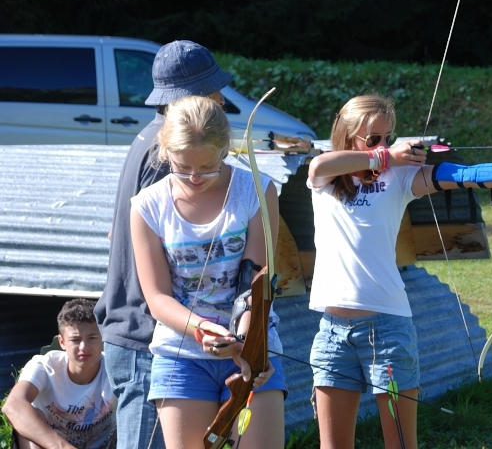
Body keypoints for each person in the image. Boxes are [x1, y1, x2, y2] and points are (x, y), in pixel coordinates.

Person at [306, 94, 492, 449]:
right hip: (332, 334)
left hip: (386, 332)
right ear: (346, 135)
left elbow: (466, 176)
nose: (383, 145)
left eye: (388, 138)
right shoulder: (326, 178)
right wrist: (386, 155)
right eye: (373, 139)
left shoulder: (400, 178)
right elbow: (317, 166)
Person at [93, 40, 233, 449]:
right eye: (211, 90)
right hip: (145, 334)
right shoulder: (165, 156)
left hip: (137, 329)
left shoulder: (152, 139)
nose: (221, 99)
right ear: (188, 99)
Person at [130, 95, 286, 449]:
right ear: (165, 151)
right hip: (181, 355)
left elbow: (254, 281)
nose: (195, 178)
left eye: (208, 167)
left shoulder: (258, 190)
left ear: (225, 150)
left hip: (252, 349)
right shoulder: (147, 207)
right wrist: (202, 329)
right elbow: (156, 298)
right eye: (182, 167)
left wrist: (244, 342)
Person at [3, 299, 117, 449]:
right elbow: (12, 406)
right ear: (62, 342)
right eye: (75, 340)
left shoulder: (116, 368)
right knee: (30, 417)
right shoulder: (45, 366)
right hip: (50, 446)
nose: (84, 347)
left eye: (92, 338)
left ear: (103, 337)